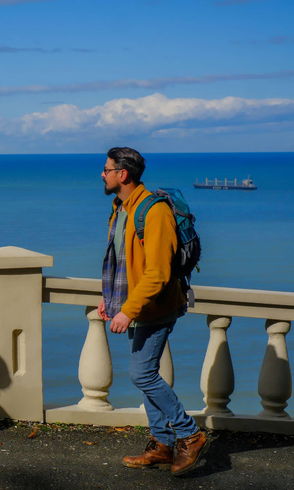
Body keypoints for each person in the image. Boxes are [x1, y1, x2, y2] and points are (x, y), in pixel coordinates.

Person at [98, 147, 209, 476]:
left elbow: (158, 273)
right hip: (137, 306)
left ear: (123, 175)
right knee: (146, 377)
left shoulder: (153, 212)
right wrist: (110, 299)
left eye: (106, 169)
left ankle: (189, 434)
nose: (101, 174)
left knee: (141, 373)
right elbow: (122, 261)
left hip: (156, 305)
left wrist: (128, 310)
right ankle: (161, 444)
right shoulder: (121, 208)